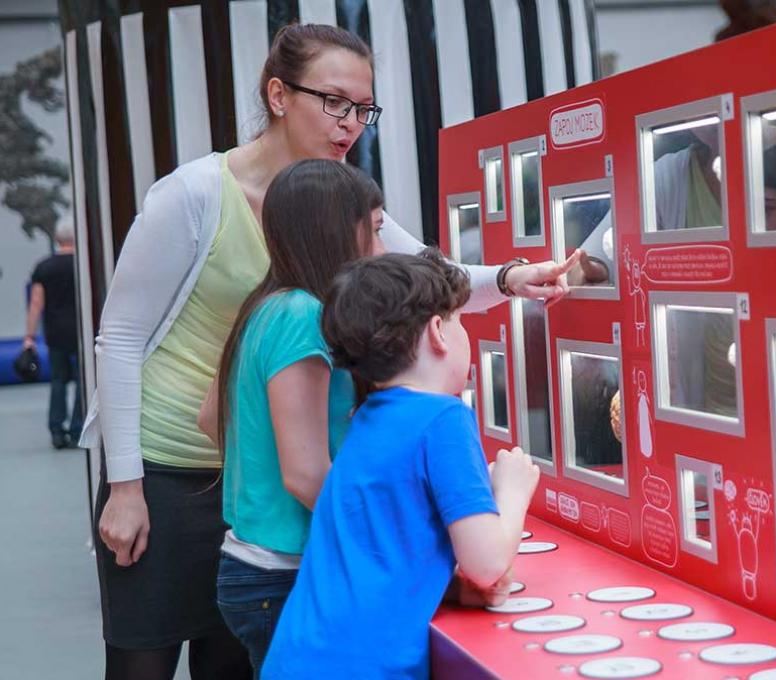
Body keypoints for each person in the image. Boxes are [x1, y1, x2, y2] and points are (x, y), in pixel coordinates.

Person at [79, 23, 578, 680]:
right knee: (143, 660)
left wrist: (512, 278)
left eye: (364, 109)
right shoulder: (196, 196)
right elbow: (118, 340)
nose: (351, 124)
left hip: (252, 484)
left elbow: (425, 270)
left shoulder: (334, 206)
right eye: (334, 102)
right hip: (166, 471)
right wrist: (125, 488)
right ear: (280, 94)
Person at [262, 250, 541, 679]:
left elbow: (379, 546)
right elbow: (486, 563)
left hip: (301, 658)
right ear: (437, 333)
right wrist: (513, 490)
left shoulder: (369, 417)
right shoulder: (442, 419)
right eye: (460, 320)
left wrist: (448, 589)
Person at [193, 159, 383, 677]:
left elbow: (211, 418)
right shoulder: (303, 316)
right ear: (340, 230)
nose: (381, 250)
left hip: (256, 565)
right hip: (286, 571)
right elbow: (304, 475)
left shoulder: (265, 305)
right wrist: (382, 535)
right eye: (377, 229)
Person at [25, 217, 80, 449]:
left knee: (58, 380)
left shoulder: (43, 267)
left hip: (55, 333)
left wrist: (29, 337)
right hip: (81, 333)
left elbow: (36, 304)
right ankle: (78, 430)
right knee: (82, 382)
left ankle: (57, 430)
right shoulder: (83, 265)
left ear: (57, 239)